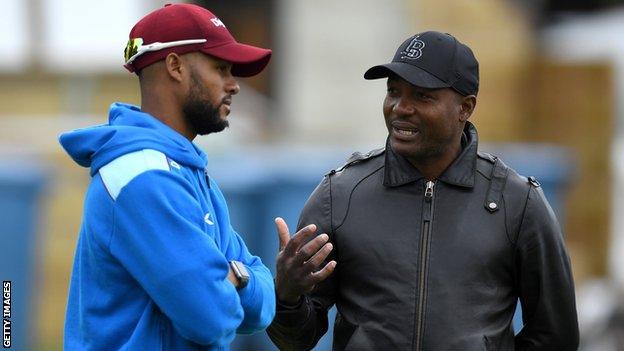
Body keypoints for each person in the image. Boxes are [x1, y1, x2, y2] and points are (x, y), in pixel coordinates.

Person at [267, 31, 579, 350]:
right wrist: (287, 297)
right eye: (393, 92)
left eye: (421, 96)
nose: (400, 108)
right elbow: (295, 341)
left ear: (465, 107)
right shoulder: (340, 194)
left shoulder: (518, 202)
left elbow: (555, 336)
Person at [58, 4, 275, 350]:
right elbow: (212, 319)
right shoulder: (142, 178)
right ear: (174, 66)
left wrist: (235, 277)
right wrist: (233, 277)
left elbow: (262, 309)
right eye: (220, 68)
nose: (234, 85)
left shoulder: (190, 173)